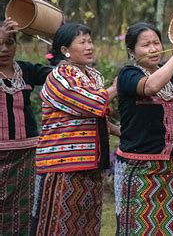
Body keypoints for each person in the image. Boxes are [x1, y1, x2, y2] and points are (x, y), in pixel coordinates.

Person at [114, 22, 173, 235]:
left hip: (171, 169)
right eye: (146, 45)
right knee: (139, 228)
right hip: (140, 168)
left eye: (156, 42)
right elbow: (150, 87)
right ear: (131, 51)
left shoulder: (170, 75)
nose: (154, 49)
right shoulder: (128, 74)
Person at [31, 22, 116, 235]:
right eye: (82, 42)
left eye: (90, 41)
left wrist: (124, 133)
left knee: (86, 225)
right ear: (65, 50)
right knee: (59, 226)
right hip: (63, 166)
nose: (89, 46)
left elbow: (98, 118)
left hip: (91, 163)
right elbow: (94, 105)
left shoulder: (94, 76)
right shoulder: (58, 77)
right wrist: (116, 88)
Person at [0, 17, 55, 234]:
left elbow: (60, 73)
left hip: (26, 155)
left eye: (10, 43)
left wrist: (53, 36)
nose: (4, 49)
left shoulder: (27, 70)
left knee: (24, 211)